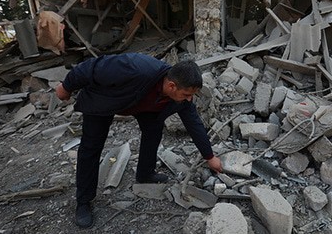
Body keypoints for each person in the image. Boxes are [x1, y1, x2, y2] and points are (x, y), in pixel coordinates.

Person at [55, 53, 222, 228]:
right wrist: (66, 87)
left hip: (144, 105)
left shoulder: (181, 96)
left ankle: (145, 173)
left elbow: (193, 123)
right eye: (186, 94)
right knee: (91, 146)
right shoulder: (136, 68)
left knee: (153, 130)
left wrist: (209, 156)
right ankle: (83, 201)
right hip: (105, 100)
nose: (189, 99)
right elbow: (90, 67)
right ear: (172, 86)